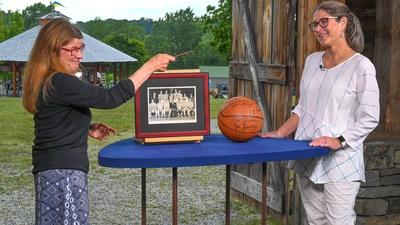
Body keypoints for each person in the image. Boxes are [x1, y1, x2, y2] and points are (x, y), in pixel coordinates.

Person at [22, 18, 175, 225]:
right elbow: (110, 98)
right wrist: (150, 66)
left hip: (51, 170)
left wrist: (85, 127)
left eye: (81, 47)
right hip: (63, 174)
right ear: (52, 50)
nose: (80, 55)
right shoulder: (60, 81)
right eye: (73, 49)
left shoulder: (46, 81)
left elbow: (52, 119)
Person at [259, 1, 379, 225]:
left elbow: (370, 117)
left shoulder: (362, 66)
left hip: (341, 160)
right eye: (315, 25)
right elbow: (303, 107)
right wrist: (281, 132)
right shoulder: (312, 61)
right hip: (309, 154)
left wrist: (339, 140)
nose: (318, 29)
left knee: (338, 222)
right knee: (315, 222)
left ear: (343, 22)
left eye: (324, 22)